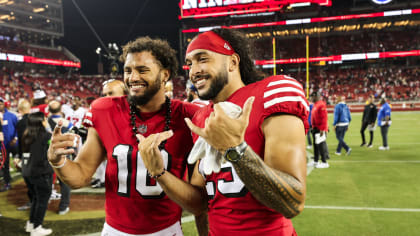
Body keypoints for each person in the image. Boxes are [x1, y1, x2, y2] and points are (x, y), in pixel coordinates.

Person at [143, 29, 308, 235]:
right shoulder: (201, 118)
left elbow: (292, 202)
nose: (193, 71)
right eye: (190, 63)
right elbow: (201, 203)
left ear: (232, 62)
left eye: (202, 59)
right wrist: (160, 173)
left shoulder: (271, 93)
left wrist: (235, 149)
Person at [48, 36, 199, 235]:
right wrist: (57, 160)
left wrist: (160, 173)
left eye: (142, 70)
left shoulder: (190, 116)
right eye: (128, 70)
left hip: (166, 229)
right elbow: (80, 176)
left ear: (165, 75)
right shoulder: (104, 109)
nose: (132, 78)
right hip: (114, 230)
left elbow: (199, 203)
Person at [91, 79, 128, 189]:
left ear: (125, 94)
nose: (107, 97)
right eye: (105, 94)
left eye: (111, 93)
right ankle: (101, 179)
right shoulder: (102, 113)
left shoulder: (136, 112)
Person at [21, 112, 53, 236]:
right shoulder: (45, 136)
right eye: (45, 119)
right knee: (42, 199)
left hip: (27, 172)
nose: (46, 121)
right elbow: (43, 156)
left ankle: (31, 224)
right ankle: (37, 228)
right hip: (40, 172)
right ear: (40, 122)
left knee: (35, 198)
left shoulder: (26, 134)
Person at [47, 100, 73, 215]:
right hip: (64, 154)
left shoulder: (45, 122)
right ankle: (63, 206)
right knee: (64, 181)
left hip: (48, 154)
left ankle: (45, 199)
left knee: (47, 179)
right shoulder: (68, 123)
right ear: (61, 110)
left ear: (49, 110)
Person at [0, 97, 18, 192]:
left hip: (14, 144)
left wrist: (15, 138)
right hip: (2, 146)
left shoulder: (12, 116)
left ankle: (30, 180)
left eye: (1, 104)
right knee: (5, 165)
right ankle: (7, 183)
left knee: (21, 162)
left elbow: (18, 128)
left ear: (4, 104)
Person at [310, 92, 330, 168]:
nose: (311, 98)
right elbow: (314, 117)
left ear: (316, 96)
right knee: (315, 145)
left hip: (319, 129)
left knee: (321, 145)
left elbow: (324, 118)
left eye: (312, 97)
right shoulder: (315, 104)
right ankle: (316, 161)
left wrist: (323, 129)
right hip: (315, 128)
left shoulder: (321, 104)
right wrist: (313, 126)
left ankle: (324, 162)